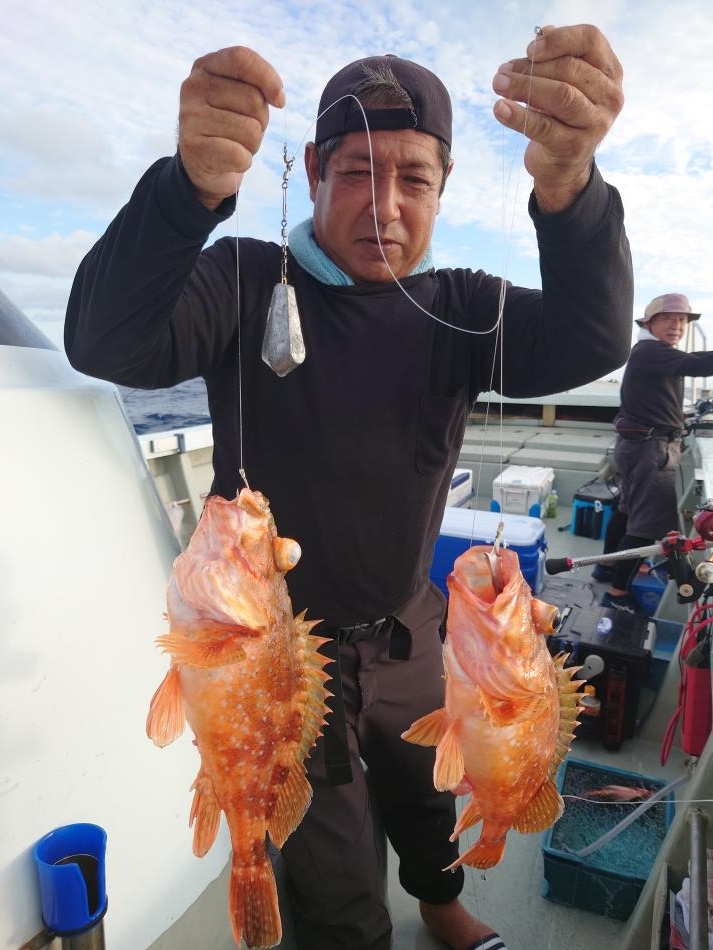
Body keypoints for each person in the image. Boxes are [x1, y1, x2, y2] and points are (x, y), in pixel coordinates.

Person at [64, 27, 632, 950]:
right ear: (312, 169)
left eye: (414, 179)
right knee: (330, 875)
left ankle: (442, 907)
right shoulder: (247, 278)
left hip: (413, 633)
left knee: (432, 798)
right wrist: (188, 190)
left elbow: (591, 339)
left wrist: (568, 192)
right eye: (359, 172)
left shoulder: (456, 306)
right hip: (282, 659)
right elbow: (105, 342)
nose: (386, 206)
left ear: (442, 191)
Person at [602, 294, 712, 614]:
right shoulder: (653, 351)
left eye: (682, 321)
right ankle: (618, 594)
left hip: (636, 447)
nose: (677, 326)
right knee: (644, 527)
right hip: (650, 452)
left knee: (625, 511)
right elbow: (697, 364)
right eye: (669, 320)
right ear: (649, 324)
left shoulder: (649, 352)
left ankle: (607, 567)